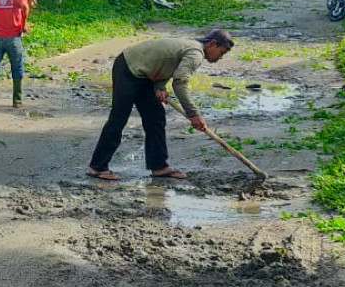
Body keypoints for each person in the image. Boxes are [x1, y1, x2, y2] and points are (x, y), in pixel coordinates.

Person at [85, 30, 235, 181]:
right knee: (119, 118)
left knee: (155, 118)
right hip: (128, 68)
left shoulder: (192, 48)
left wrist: (160, 86)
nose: (220, 57)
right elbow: (180, 82)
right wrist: (193, 114)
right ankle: (97, 167)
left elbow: (165, 63)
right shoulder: (196, 53)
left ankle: (159, 166)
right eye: (221, 52)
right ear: (212, 44)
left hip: (145, 74)